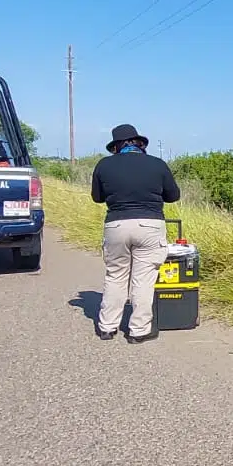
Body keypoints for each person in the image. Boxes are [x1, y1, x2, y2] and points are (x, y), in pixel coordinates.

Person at [90, 123, 180, 343]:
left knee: (116, 276)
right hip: (150, 225)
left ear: (116, 146)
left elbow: (97, 197)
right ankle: (138, 331)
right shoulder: (157, 164)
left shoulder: (104, 165)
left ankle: (107, 327)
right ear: (139, 143)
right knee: (143, 280)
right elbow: (173, 195)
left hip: (116, 225)